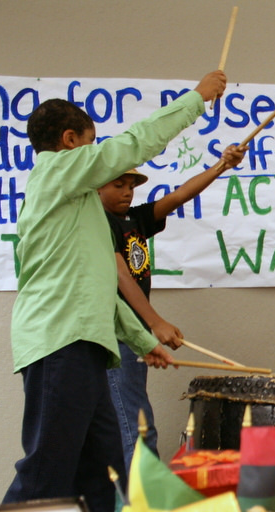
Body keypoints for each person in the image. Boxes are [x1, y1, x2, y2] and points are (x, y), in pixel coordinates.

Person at [5, 71, 228, 512]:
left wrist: (141, 341)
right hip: (58, 345)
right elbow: (132, 144)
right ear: (70, 142)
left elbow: (98, 286)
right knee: (48, 469)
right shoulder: (55, 171)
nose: (101, 156)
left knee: (102, 469)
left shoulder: (79, 203)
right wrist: (196, 100)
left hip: (85, 345)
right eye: (92, 143)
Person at [100, 144, 245, 469]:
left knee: (131, 429)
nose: (127, 192)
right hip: (116, 336)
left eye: (131, 186)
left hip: (134, 337)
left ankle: (125, 508)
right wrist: (155, 322)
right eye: (117, 185)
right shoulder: (98, 224)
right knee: (135, 432)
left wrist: (222, 165)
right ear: (96, 186)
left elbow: (179, 197)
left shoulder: (134, 218)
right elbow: (120, 275)